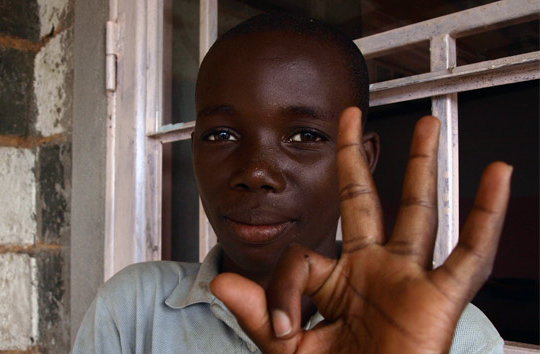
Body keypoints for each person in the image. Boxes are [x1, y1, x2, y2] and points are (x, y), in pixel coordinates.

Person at [72, 13, 511, 353]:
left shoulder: (452, 337)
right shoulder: (135, 310)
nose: (255, 173)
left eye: (305, 136)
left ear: (362, 158)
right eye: (221, 135)